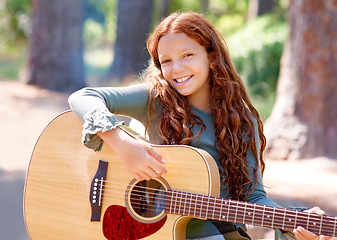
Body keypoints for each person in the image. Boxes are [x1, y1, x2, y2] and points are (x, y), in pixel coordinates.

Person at [69, 11, 332, 240]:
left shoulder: (242, 122)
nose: (177, 69)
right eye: (166, 61)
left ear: (212, 56)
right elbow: (82, 97)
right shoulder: (154, 99)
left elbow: (254, 198)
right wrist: (121, 143)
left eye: (187, 55)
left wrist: (290, 222)